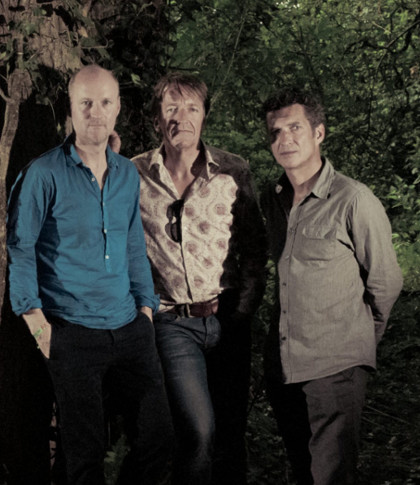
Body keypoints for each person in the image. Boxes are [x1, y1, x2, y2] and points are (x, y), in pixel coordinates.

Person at [7, 64, 172, 485]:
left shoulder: (126, 173)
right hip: (71, 332)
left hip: (130, 329)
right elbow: (21, 249)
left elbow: (133, 245)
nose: (95, 112)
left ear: (117, 109)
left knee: (157, 440)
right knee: (84, 457)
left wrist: (146, 310)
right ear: (71, 109)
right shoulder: (43, 173)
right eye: (85, 103)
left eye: (104, 102)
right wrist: (39, 327)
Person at [260, 88, 403, 485]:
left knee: (331, 476)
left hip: (335, 367)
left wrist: (357, 343)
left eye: (294, 128)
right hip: (285, 365)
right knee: (302, 472)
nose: (284, 139)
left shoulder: (353, 199)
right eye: (275, 132)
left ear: (319, 133)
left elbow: (386, 282)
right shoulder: (272, 200)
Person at [130, 73, 267, 485]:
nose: (181, 117)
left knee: (229, 433)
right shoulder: (133, 174)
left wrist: (242, 311)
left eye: (192, 107)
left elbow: (255, 247)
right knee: (197, 431)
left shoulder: (233, 171)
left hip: (227, 318)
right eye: (171, 108)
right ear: (157, 118)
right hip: (172, 323)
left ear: (205, 115)